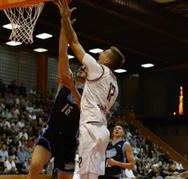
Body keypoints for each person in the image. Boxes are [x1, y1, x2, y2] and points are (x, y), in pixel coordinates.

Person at [55, 0, 126, 178]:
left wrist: (64, 17)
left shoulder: (99, 70)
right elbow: (86, 102)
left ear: (108, 61)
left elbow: (73, 41)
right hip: (102, 130)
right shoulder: (115, 85)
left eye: (104, 52)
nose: (100, 53)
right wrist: (72, 87)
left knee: (82, 176)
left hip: (91, 129)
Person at [27, 20, 86, 179]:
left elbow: (83, 108)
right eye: (81, 66)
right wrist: (63, 26)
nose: (82, 68)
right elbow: (62, 52)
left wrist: (74, 90)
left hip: (69, 140)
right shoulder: (66, 80)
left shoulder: (89, 94)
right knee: (35, 166)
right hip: (52, 132)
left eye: (85, 68)